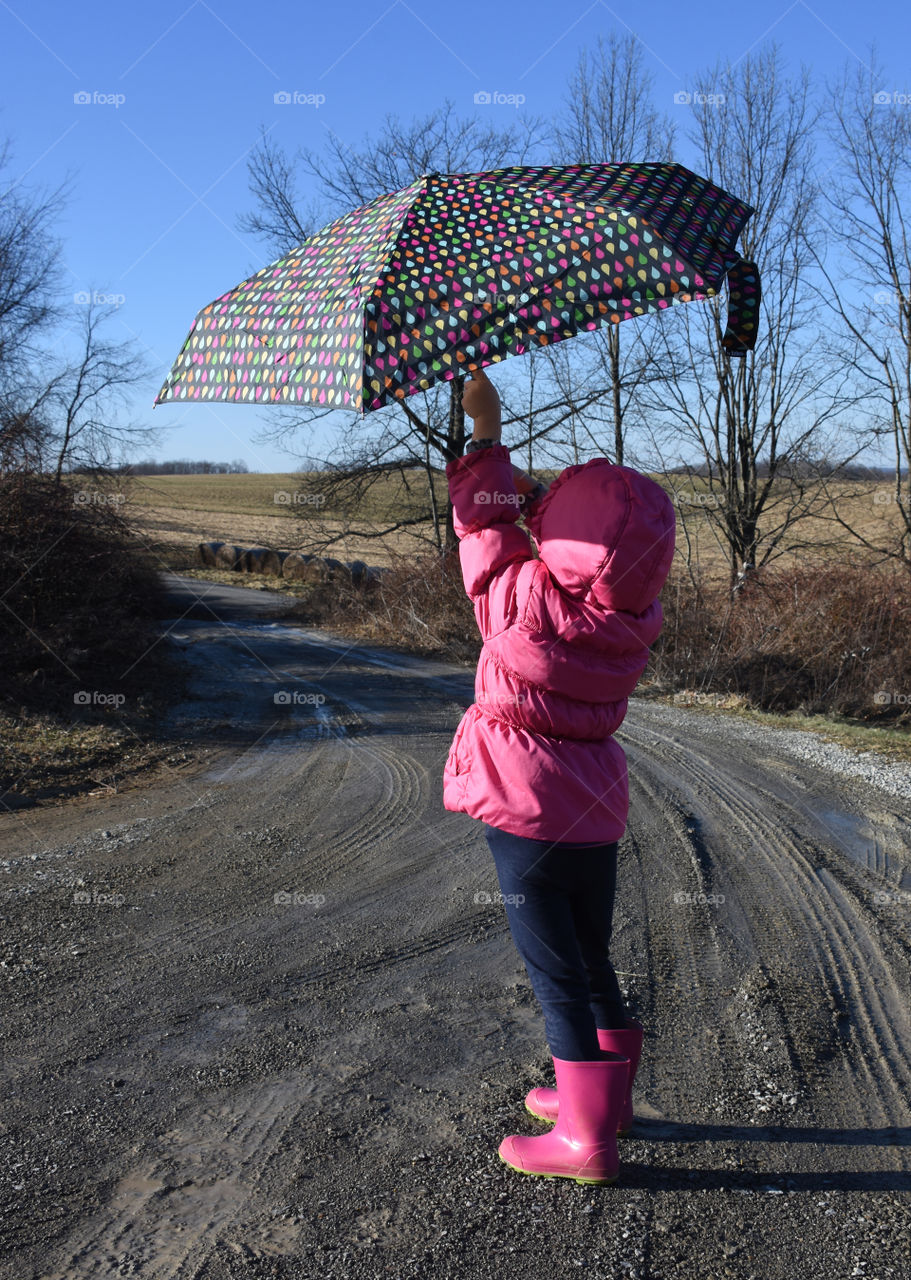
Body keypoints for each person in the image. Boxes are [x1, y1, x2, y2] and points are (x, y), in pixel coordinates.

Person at [444, 364, 676, 1185]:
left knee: (554, 974)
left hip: (524, 804)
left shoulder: (514, 599)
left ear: (561, 545)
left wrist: (484, 432)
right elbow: (520, 540)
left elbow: (483, 527)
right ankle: (603, 1107)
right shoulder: (632, 619)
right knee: (589, 956)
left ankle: (586, 1141)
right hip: (595, 805)